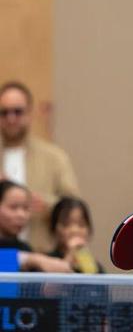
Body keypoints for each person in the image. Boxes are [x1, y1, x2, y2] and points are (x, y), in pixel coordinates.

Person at [0, 81, 81, 251]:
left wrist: (47, 204)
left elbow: (74, 208)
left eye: (17, 112)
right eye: (4, 112)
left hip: (42, 254)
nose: (11, 119)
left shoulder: (54, 157)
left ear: (29, 113)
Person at [0, 179, 72, 272]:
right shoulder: (31, 258)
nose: (21, 215)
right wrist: (32, 259)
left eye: (26, 208)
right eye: (13, 207)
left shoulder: (25, 248)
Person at [49, 197, 103, 273]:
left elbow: (96, 279)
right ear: (54, 228)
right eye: (66, 224)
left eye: (81, 224)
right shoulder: (47, 261)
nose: (75, 230)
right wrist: (70, 255)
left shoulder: (95, 266)